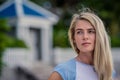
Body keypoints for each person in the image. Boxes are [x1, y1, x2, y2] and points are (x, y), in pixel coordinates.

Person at [48, 8, 115, 80]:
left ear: (100, 35)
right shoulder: (63, 72)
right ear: (74, 38)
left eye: (90, 31)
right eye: (79, 32)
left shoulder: (109, 71)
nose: (85, 37)